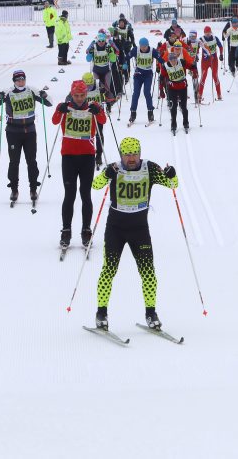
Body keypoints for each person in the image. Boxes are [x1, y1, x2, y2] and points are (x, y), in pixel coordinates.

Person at [91, 137, 178, 332]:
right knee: (108, 271)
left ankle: (151, 313)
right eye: (127, 154)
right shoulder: (114, 169)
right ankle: (101, 313)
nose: (131, 158)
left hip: (139, 229)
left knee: (148, 273)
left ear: (140, 153)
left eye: (134, 154)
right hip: (116, 228)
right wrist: (105, 175)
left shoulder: (150, 168)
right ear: (121, 154)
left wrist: (172, 174)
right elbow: (95, 186)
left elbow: (173, 185)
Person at [53, 79, 105, 248]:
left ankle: (86, 230)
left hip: (87, 156)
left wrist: (98, 110)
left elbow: (102, 120)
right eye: (76, 95)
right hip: (68, 156)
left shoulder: (91, 106)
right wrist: (59, 110)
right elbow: (54, 121)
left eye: (82, 95)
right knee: (69, 194)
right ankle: (66, 230)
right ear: (72, 94)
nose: (80, 98)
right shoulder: (65, 106)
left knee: (85, 194)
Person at [0, 70, 52, 203]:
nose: (21, 82)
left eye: (23, 79)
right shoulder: (8, 92)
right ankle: (14, 189)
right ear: (14, 81)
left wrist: (44, 95)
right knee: (14, 161)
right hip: (13, 132)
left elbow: (49, 103)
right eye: (18, 80)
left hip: (29, 131)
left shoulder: (31, 90)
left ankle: (33, 188)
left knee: (31, 160)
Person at [159, 42, 195, 135]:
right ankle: (173, 124)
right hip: (172, 89)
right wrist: (161, 91)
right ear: (169, 60)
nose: (174, 62)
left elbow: (191, 66)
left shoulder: (181, 62)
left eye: (175, 59)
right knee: (173, 107)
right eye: (171, 60)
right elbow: (161, 79)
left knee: (184, 107)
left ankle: (186, 123)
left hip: (183, 87)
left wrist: (194, 70)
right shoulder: (165, 66)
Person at [82, 72, 116, 169]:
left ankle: (99, 155)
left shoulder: (98, 84)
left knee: (99, 134)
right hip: (85, 115)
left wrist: (104, 92)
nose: (88, 87)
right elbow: (70, 97)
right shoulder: (80, 86)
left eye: (90, 85)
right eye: (86, 86)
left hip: (98, 113)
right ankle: (87, 154)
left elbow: (110, 96)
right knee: (86, 135)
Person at [127, 38, 157, 125]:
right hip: (138, 75)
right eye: (142, 46)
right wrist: (124, 63)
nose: (144, 48)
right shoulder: (136, 50)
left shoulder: (152, 50)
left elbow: (160, 59)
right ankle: (133, 113)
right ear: (140, 45)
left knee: (147, 93)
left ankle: (150, 113)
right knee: (136, 93)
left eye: (145, 46)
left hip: (148, 75)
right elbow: (127, 57)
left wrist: (162, 65)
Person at [87, 31, 121, 104]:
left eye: (103, 41)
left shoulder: (108, 47)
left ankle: (108, 105)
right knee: (97, 88)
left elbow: (113, 59)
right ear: (97, 40)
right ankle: (99, 102)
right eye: (100, 41)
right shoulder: (94, 47)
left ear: (105, 40)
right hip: (96, 71)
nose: (101, 42)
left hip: (106, 71)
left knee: (107, 88)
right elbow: (88, 59)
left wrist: (112, 53)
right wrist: (90, 53)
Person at [197, 26, 224, 102]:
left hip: (214, 60)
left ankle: (219, 94)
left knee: (215, 76)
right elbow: (197, 47)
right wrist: (196, 55)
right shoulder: (201, 39)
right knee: (203, 77)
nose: (207, 34)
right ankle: (199, 95)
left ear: (211, 32)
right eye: (206, 33)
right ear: (204, 33)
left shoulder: (215, 38)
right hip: (205, 61)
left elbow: (220, 46)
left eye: (209, 32)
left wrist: (221, 54)